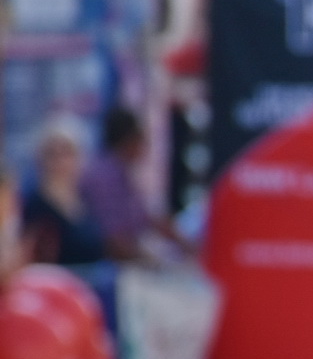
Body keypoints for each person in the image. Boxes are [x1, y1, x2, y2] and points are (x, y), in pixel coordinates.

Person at [81, 105, 198, 263]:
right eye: (142, 140)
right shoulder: (104, 177)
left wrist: (186, 244)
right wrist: (151, 260)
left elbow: (148, 218)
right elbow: (113, 239)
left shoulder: (122, 173)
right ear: (130, 140)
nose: (145, 148)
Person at [21, 116, 108, 267]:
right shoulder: (34, 204)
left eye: (67, 152)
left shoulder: (85, 198)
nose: (60, 161)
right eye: (52, 153)